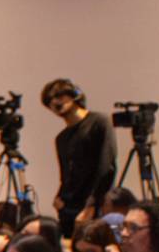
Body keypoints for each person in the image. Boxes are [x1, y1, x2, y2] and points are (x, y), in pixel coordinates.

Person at [44, 77, 116, 232]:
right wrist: (59, 199)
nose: (55, 103)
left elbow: (106, 165)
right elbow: (65, 174)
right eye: (49, 101)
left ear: (74, 95)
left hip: (94, 205)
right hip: (68, 207)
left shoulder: (99, 122)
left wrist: (93, 204)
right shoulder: (61, 138)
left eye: (59, 96)